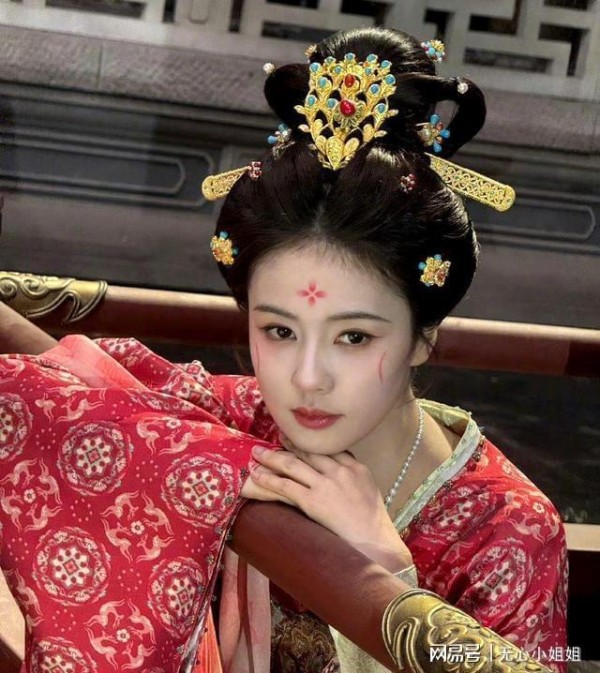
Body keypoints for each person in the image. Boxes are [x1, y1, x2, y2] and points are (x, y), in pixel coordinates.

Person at [0, 26, 566, 673]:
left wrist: (384, 574)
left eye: (354, 336)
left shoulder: (507, 531)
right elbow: (56, 386)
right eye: (279, 331)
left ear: (424, 335)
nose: (306, 378)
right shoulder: (236, 421)